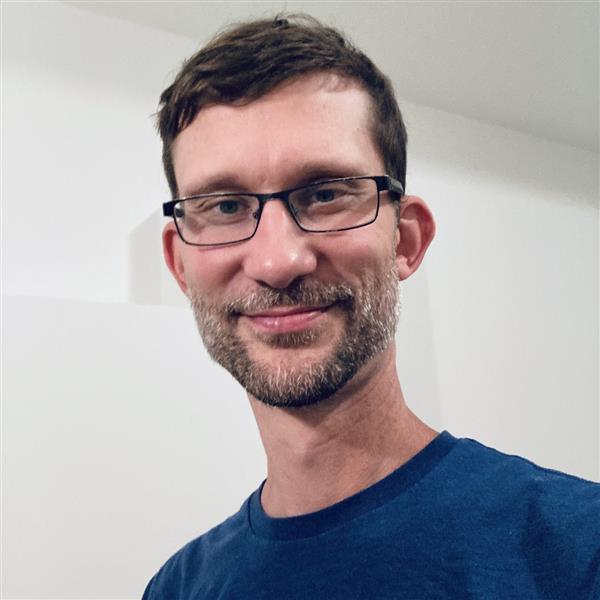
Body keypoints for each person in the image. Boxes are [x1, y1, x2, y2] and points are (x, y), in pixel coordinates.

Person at [142, 14, 599, 599]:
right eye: (225, 207)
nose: (278, 261)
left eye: (325, 193)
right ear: (180, 264)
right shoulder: (178, 588)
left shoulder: (578, 551)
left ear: (405, 240)